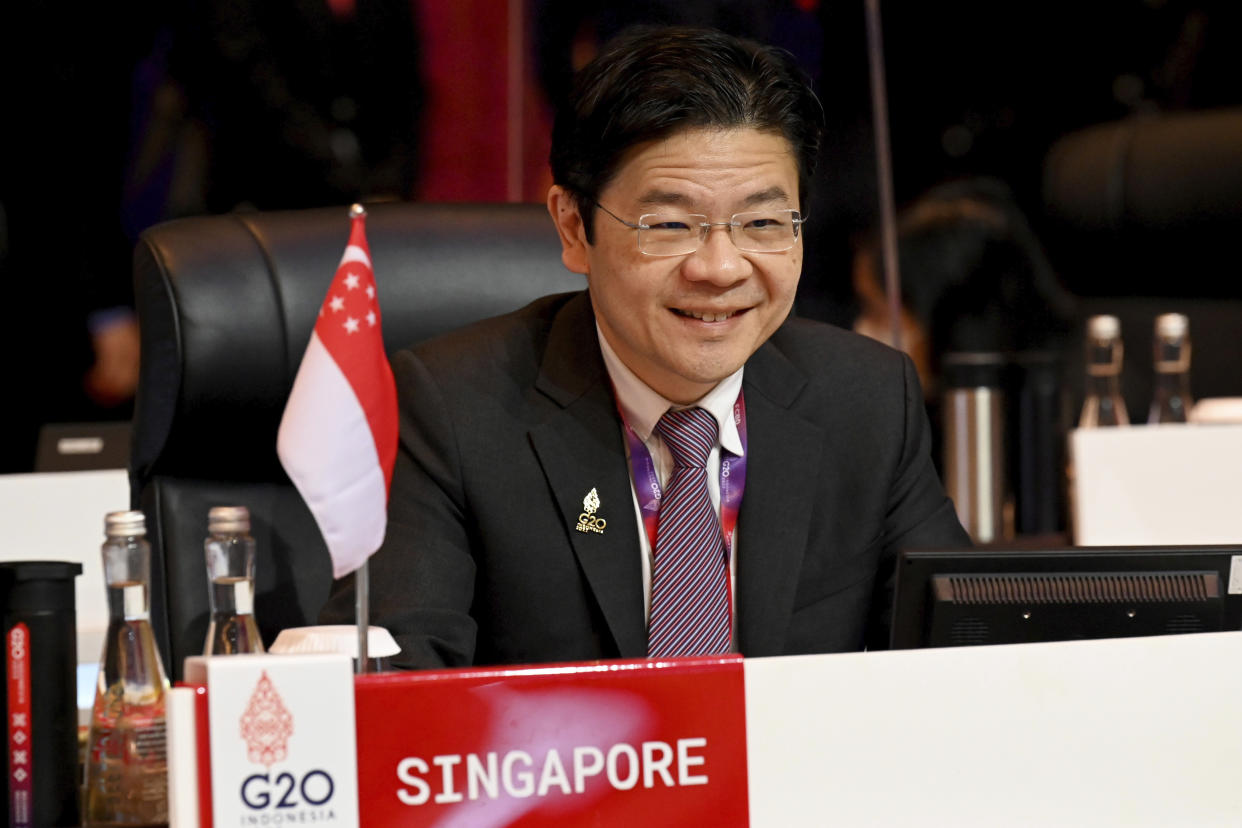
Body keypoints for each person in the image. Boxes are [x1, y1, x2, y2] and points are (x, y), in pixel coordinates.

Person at [323, 26, 969, 668]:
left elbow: (965, 661)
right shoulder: (454, 411)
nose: (720, 268)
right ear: (574, 227)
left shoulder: (867, 400)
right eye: (670, 225)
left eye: (764, 223)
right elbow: (390, 695)